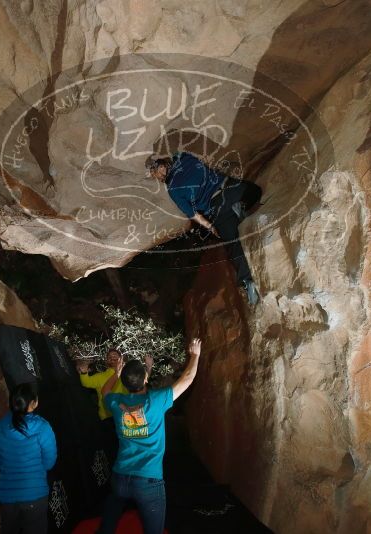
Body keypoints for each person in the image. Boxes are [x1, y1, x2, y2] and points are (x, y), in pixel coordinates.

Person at [96, 338, 203, 534]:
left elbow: (106, 391)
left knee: (112, 509)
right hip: (148, 482)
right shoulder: (156, 401)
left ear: (124, 382)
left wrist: (116, 373)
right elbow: (187, 379)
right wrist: (195, 355)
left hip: (120, 477)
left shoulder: (116, 402)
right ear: (145, 379)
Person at [146, 152, 262, 305]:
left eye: (156, 174)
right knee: (255, 191)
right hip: (231, 187)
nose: (158, 179)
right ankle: (241, 206)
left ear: (161, 167)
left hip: (216, 207)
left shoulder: (173, 189)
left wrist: (210, 226)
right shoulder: (186, 158)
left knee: (233, 242)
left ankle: (248, 281)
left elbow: (193, 215)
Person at [0, 382, 57, 534]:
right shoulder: (43, 427)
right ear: (34, 403)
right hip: (35, 495)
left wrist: (6, 464)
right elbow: (49, 463)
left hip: (7, 498)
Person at [77, 349, 154, 463]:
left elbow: (141, 382)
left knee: (131, 448)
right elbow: (86, 382)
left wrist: (148, 368)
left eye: (115, 355)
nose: (112, 358)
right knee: (112, 451)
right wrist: (83, 372)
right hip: (107, 419)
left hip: (127, 417)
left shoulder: (127, 375)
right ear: (106, 361)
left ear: (121, 359)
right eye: (109, 356)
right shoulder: (100, 376)